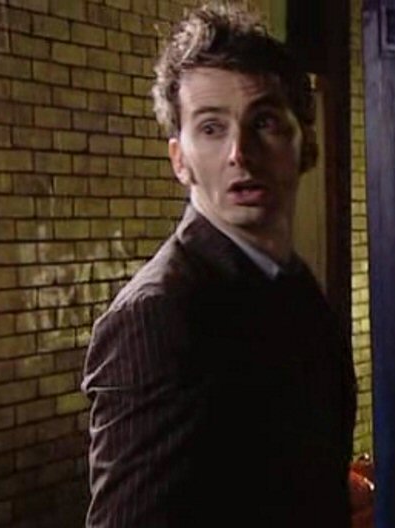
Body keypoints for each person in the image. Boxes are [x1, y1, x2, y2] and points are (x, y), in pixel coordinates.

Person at [80, 2, 357, 526]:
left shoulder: (295, 286)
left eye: (264, 122)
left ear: (305, 144)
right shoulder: (158, 316)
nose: (239, 153)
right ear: (179, 159)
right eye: (211, 128)